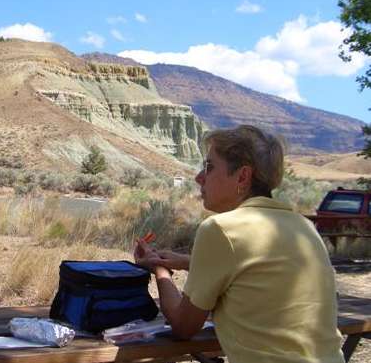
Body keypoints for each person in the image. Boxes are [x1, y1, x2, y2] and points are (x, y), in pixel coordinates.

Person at [134, 125, 345, 363]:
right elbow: (255, 273)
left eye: (209, 167)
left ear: (243, 177)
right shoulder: (303, 227)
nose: (198, 177)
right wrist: (185, 262)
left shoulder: (221, 229)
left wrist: (160, 270)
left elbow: (184, 325)